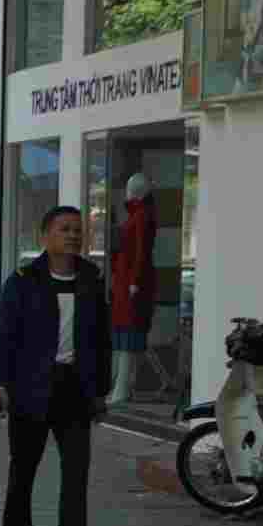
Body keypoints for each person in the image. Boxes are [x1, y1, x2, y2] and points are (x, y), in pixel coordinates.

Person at [0, 205, 111, 526]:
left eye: (77, 230)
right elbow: (2, 335)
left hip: (76, 386)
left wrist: (100, 391)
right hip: (31, 386)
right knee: (23, 463)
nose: (73, 235)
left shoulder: (90, 278)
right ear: (45, 237)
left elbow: (102, 340)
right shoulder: (25, 279)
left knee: (76, 466)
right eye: (64, 229)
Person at [109, 172, 157, 404]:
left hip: (131, 286)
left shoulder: (142, 216)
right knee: (123, 335)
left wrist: (135, 281)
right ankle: (121, 386)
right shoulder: (136, 215)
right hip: (125, 284)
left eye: (130, 187)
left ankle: (122, 388)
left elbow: (141, 252)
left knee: (129, 335)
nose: (127, 191)